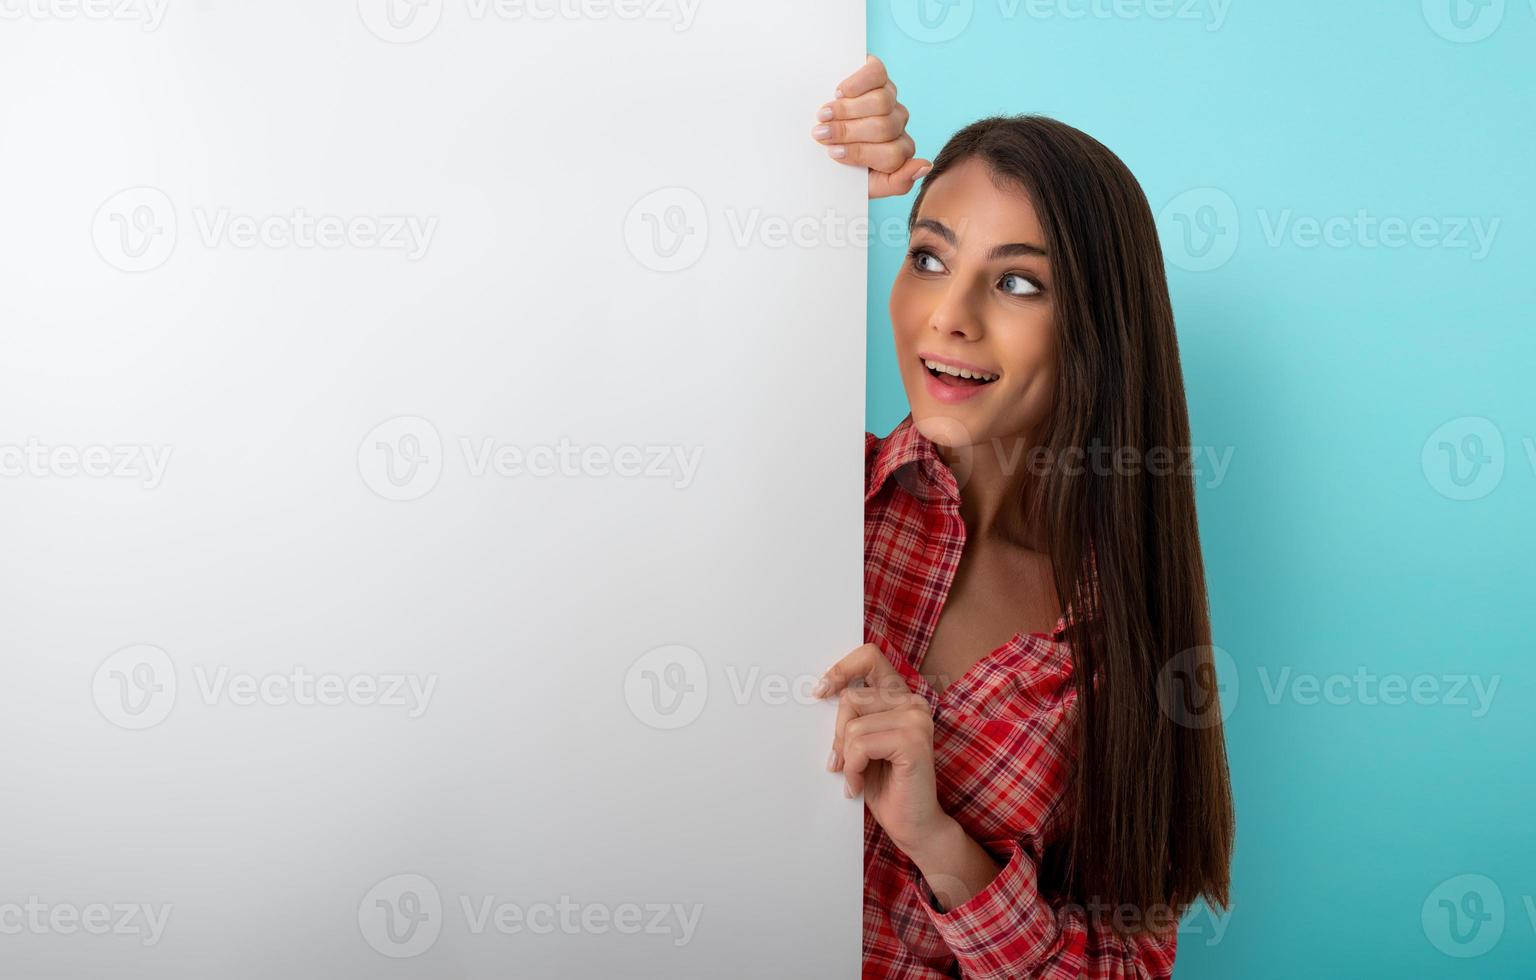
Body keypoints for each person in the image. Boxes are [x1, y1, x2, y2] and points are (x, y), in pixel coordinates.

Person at [808, 55, 1235, 979]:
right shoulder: (809, 491)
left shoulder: (1124, 647)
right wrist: (801, 176)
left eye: (1017, 284)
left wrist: (941, 843)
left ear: (1097, 332)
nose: (948, 316)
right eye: (928, 257)